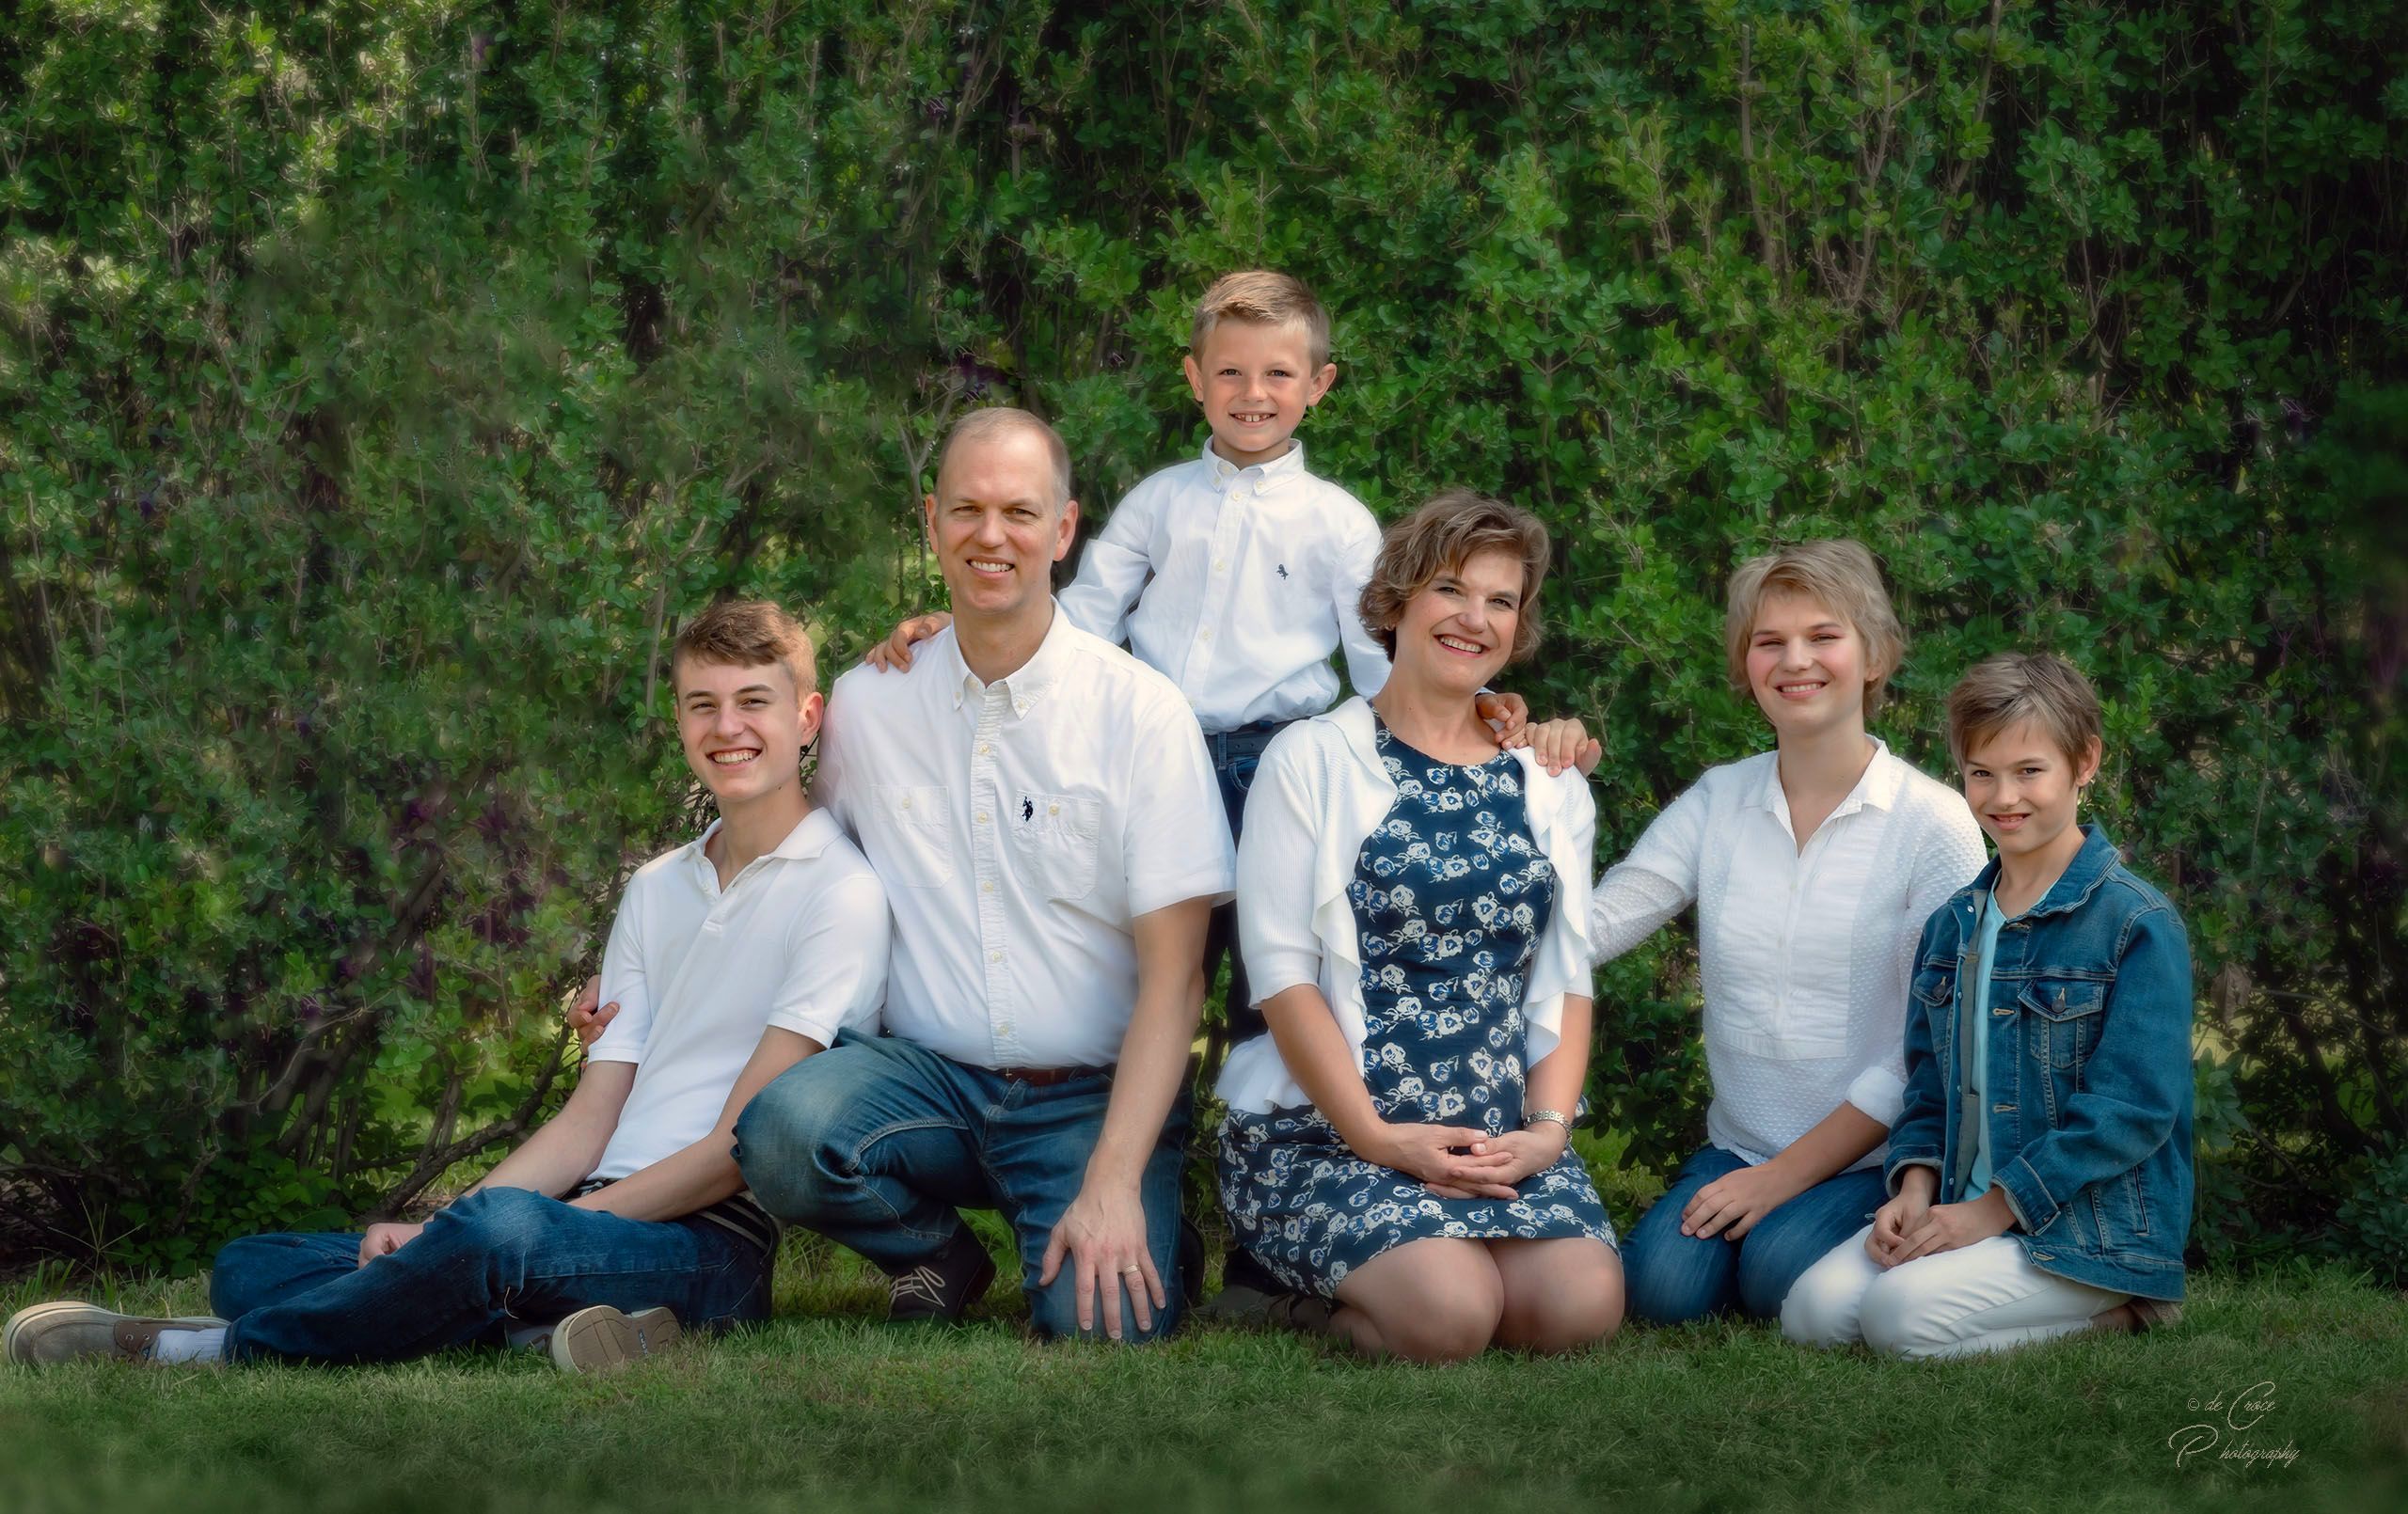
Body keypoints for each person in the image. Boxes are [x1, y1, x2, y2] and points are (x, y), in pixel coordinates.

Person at [854, 271, 1528, 1315]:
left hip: (1280, 769)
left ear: (1319, 387)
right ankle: (1129, 1168)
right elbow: (1077, 611)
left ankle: (1272, 1247)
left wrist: (1464, 706)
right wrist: (959, 630)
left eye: (1277, 374)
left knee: (1275, 1003)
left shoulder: (1337, 520)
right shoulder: (1160, 502)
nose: (1251, 393)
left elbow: (1376, 659)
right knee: (1160, 980)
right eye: (1229, 372)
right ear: (1193, 380)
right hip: (1158, 759)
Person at [3, 601, 890, 1371]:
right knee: (252, 1262)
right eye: (704, 704)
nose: (727, 727)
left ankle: (199, 1349)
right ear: (680, 720)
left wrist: (506, 1228)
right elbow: (591, 1116)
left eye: (753, 703)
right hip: (586, 1222)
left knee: (497, 1239)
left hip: (710, 1246)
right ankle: (552, 1324)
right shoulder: (659, 887)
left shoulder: (838, 892)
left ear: (807, 717)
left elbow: (739, 1146)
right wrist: (457, 1228)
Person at [728, 407, 1233, 1342]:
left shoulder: (1139, 713)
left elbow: (1178, 977)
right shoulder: (869, 703)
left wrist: (1114, 1181)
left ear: (1065, 528)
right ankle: (933, 1251)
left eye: (1018, 511)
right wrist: (648, 966)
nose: (990, 535)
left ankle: (1139, 1214)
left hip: (1090, 1095)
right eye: (966, 510)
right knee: (781, 1133)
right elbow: (797, 876)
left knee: (1103, 1330)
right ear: (931, 521)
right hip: (928, 1088)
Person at [1213, 491, 1622, 1363]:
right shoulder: (1312, 760)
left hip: (1496, 1132)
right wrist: (1378, 1136)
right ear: (1396, 601)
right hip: (1336, 1135)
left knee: (1579, 1308)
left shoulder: (1549, 784)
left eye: (1501, 601)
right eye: (1449, 589)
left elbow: (1568, 976)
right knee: (1448, 1315)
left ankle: (1449, 1261)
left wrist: (1546, 1133)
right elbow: (1282, 978)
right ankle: (1280, 1296)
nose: (1474, 619)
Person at [1575, 541, 1988, 1326]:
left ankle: (1814, 1236)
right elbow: (1597, 926)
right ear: (1745, 665)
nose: (1796, 661)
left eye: (1822, 636)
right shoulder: (1718, 801)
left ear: (1873, 655)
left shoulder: (1935, 826)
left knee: (1773, 1276)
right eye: (1769, 642)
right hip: (1739, 1146)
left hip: (1876, 1158)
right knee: (1660, 1293)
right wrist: (1537, 792)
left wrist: (1783, 1181)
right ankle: (1753, 1231)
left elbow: (1926, 1049)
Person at [1781, 653, 2194, 1357]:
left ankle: (2125, 1311)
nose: (2005, 796)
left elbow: (2132, 1110)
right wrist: (1914, 1188)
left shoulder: (2135, 924)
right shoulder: (1954, 926)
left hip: (2081, 1225)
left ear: (2084, 762)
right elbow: (1928, 1089)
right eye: (1982, 773)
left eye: (2030, 771)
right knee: (1813, 1315)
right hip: (1957, 1204)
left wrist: (1992, 1211)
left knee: (1897, 1322)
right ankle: (1953, 1271)